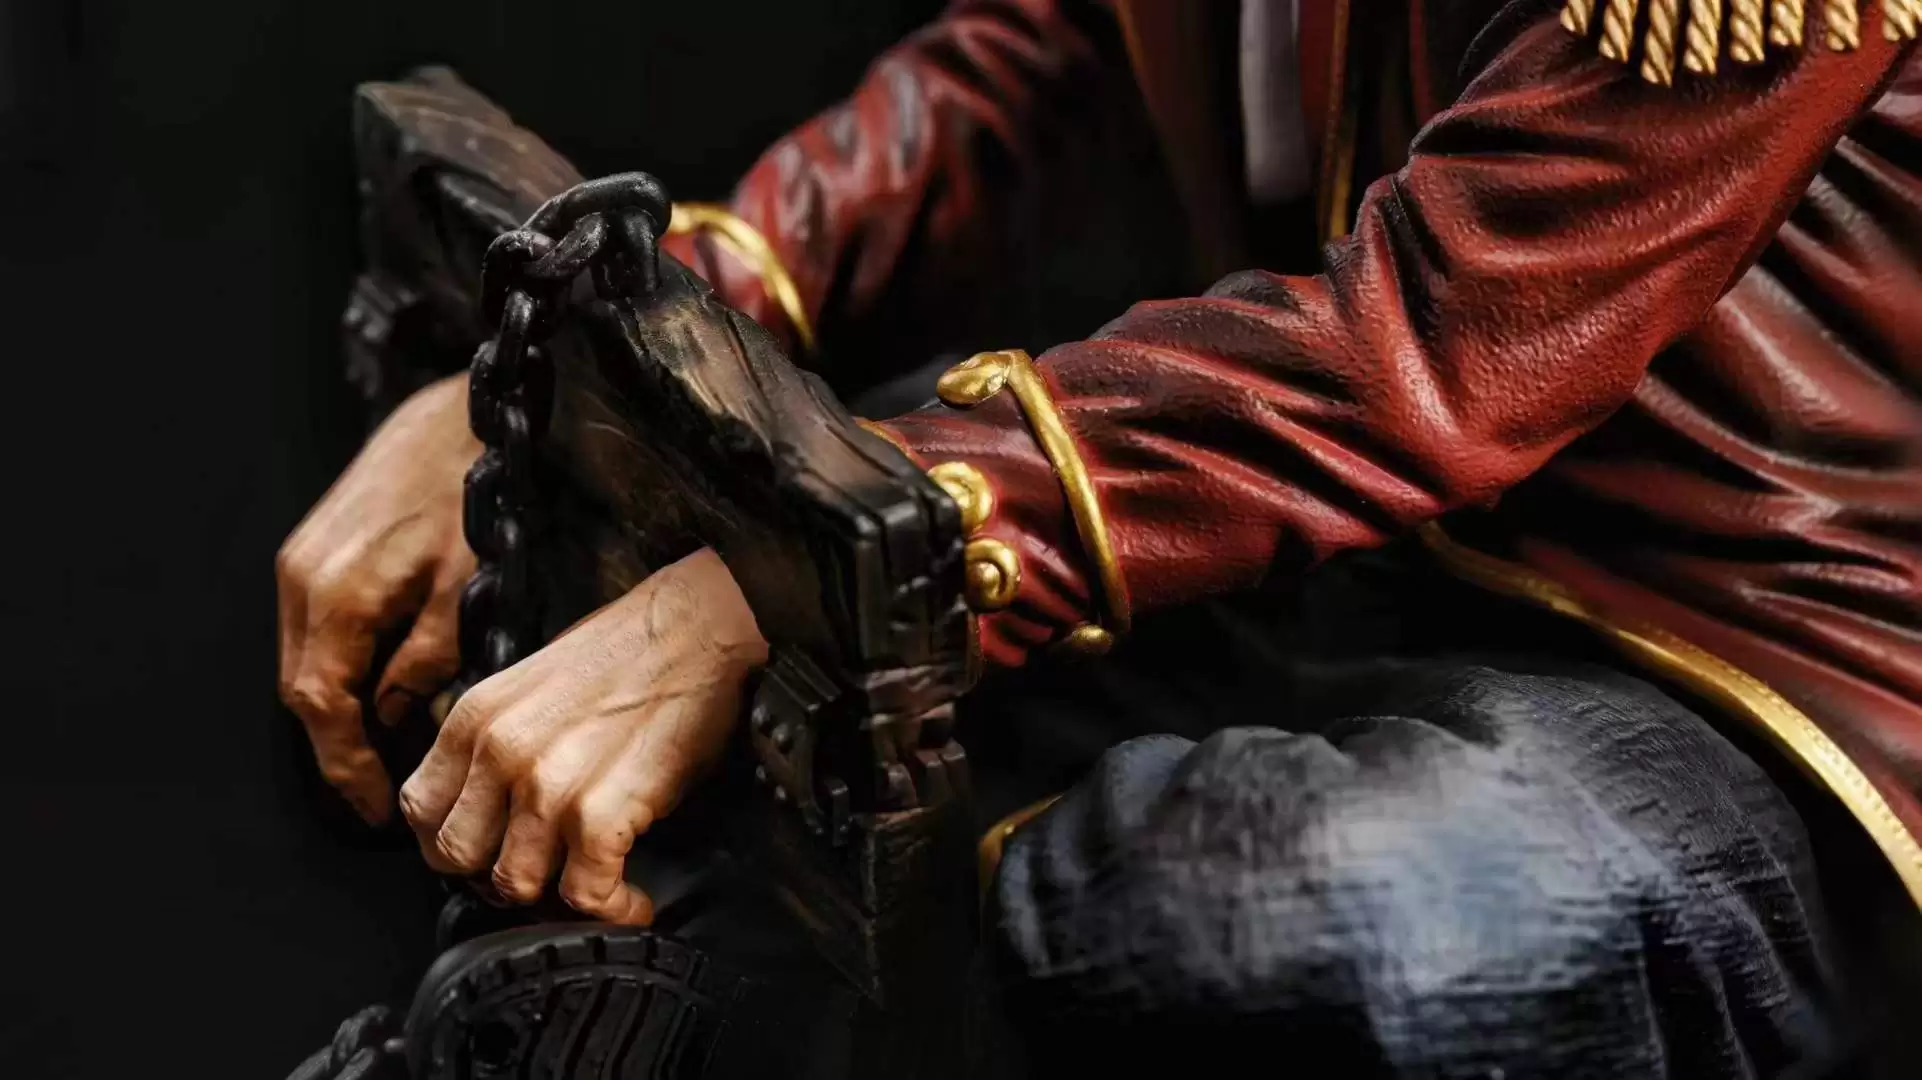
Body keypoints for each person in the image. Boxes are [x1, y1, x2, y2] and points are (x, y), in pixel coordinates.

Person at [278, 0, 1922, 1074]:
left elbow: (1425, 343)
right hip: (1332, 552)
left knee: (1264, 916)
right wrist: (581, 364)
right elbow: (1029, 69)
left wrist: (796, 580)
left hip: (1742, 673)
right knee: (709, 647)